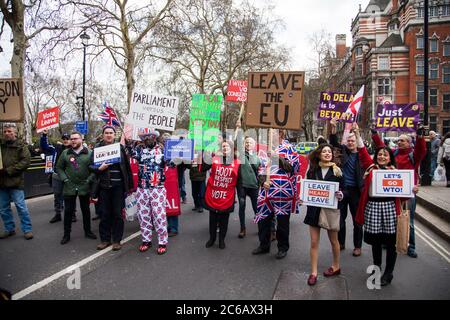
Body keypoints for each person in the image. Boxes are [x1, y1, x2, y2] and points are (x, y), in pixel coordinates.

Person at [355, 126, 407, 286]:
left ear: (390, 157)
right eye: (380, 154)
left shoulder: (396, 172)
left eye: (385, 154)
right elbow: (363, 152)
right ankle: (377, 267)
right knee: (376, 241)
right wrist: (357, 133)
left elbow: (404, 194)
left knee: (391, 242)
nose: (382, 156)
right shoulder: (371, 167)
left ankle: (389, 273)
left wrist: (412, 188)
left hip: (390, 209)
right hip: (373, 208)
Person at [372, 126, 426, 258]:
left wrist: (420, 137)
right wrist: (374, 134)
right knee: (391, 219)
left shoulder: (414, 155)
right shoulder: (394, 154)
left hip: (408, 194)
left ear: (409, 143)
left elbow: (422, 149)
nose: (399, 142)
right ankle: (390, 241)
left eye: (402, 140)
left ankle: (411, 246)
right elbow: (382, 148)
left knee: (410, 221)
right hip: (393, 192)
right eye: (398, 141)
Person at [253, 130, 301, 259]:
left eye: (273, 133)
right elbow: (261, 169)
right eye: (269, 133)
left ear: (280, 134)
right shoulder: (265, 150)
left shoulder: (290, 148)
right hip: (267, 191)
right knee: (263, 219)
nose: (270, 135)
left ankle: (282, 247)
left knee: (282, 221)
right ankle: (264, 245)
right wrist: (263, 182)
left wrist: (276, 156)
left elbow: (293, 168)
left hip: (283, 191)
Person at [303, 143, 344, 286]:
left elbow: (345, 189)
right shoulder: (313, 171)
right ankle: (313, 273)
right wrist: (304, 196)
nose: (327, 153)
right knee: (314, 242)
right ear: (319, 154)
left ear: (332, 155)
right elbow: (307, 187)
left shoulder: (338, 171)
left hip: (330, 210)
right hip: (314, 210)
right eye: (324, 151)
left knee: (334, 241)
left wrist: (341, 194)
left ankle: (336, 266)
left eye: (329, 152)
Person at [90, 126, 134, 251]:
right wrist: (99, 168)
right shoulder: (97, 149)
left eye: (111, 133)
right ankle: (105, 240)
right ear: (103, 135)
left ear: (115, 135)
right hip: (103, 187)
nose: (109, 135)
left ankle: (116, 240)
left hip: (118, 187)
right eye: (106, 133)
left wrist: (129, 186)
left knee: (118, 215)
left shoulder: (120, 148)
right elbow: (90, 166)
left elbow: (126, 167)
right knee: (104, 214)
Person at [126, 130, 170, 254]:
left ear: (155, 138)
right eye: (145, 138)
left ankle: (162, 241)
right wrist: (129, 144)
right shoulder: (140, 150)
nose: (148, 139)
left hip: (157, 188)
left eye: (150, 137)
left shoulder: (162, 150)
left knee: (159, 215)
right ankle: (146, 240)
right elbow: (131, 154)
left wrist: (174, 157)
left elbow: (171, 164)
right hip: (142, 188)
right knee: (143, 215)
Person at [329, 118, 364, 256]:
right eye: (348, 141)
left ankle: (357, 246)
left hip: (356, 191)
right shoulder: (342, 151)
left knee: (357, 220)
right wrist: (333, 127)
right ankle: (341, 242)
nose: (350, 143)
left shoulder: (362, 154)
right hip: (343, 190)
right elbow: (333, 142)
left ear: (356, 142)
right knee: (340, 219)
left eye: (352, 141)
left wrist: (357, 131)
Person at [56, 131, 97, 245]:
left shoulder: (90, 153)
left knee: (86, 210)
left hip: (84, 186)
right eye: (71, 139)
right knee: (68, 211)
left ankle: (88, 231)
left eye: (75, 138)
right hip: (69, 187)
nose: (73, 141)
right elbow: (58, 168)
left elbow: (95, 169)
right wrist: (65, 179)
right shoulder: (65, 153)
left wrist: (89, 180)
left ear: (81, 139)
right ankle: (66, 234)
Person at [202, 139, 240, 249]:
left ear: (232, 149)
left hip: (227, 197)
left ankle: (221, 240)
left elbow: (239, 181)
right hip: (213, 195)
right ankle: (212, 239)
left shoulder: (237, 162)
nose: (225, 148)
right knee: (212, 219)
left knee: (224, 220)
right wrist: (206, 153)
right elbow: (203, 168)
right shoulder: (214, 159)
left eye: (227, 146)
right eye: (223, 146)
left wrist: (240, 195)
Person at [0, 123, 33, 240]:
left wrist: (8, 170)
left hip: (15, 182)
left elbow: (25, 162)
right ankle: (9, 229)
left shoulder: (21, 146)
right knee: (3, 208)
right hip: (2, 183)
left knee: (21, 207)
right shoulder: (1, 145)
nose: (7, 133)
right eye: (5, 132)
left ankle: (27, 229)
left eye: (9, 131)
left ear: (15, 132)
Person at [40, 129, 74, 223]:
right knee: (57, 195)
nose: (66, 140)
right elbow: (44, 146)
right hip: (57, 175)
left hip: (69, 176)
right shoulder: (56, 148)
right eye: (64, 138)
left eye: (67, 138)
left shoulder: (74, 149)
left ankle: (72, 214)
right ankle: (58, 214)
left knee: (71, 195)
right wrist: (44, 135)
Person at [236, 136, 260, 238]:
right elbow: (234, 142)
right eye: (246, 142)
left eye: (250, 143)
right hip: (242, 186)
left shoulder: (257, 156)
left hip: (254, 186)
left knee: (256, 208)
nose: (248, 144)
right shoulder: (240, 155)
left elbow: (259, 168)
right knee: (242, 207)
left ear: (254, 145)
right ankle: (242, 228)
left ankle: (260, 227)